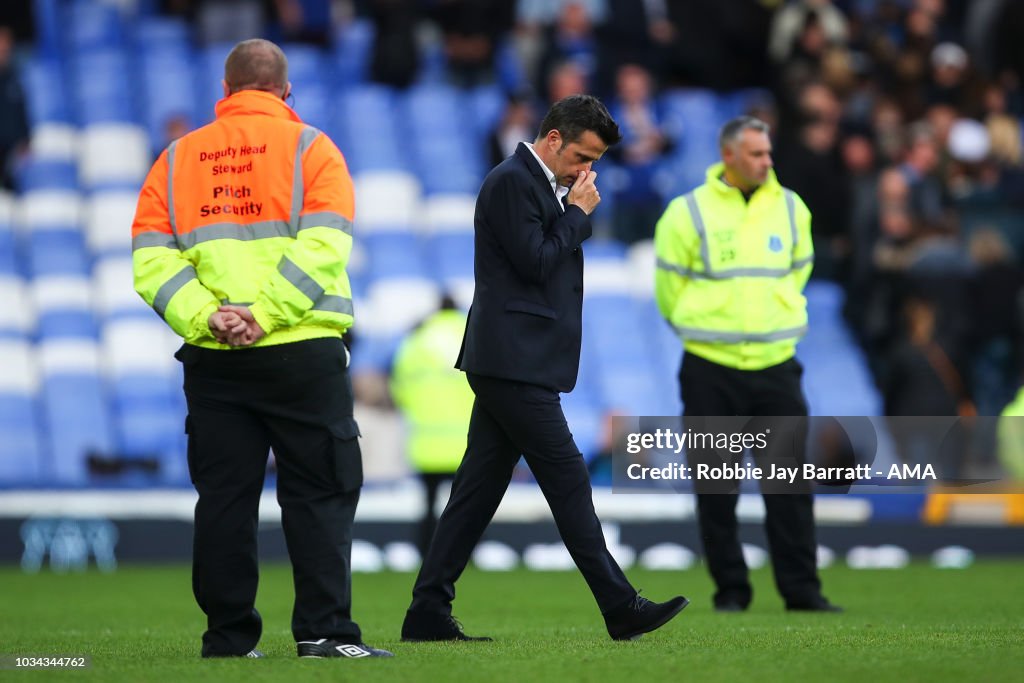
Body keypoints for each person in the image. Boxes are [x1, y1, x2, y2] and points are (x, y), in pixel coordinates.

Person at [131, 39, 392, 659]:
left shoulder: (175, 159)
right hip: (301, 350)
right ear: (285, 91)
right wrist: (266, 315)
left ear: (225, 93)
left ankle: (228, 639)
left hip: (214, 358)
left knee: (224, 501)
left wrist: (212, 317)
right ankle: (324, 634)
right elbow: (325, 247)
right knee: (319, 495)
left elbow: (150, 260)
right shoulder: (313, 149)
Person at [400, 94, 688, 642]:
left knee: (476, 492)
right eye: (583, 156)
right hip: (513, 361)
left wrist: (569, 209)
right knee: (567, 477)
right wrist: (577, 215)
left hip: (515, 359)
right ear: (553, 138)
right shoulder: (513, 181)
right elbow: (536, 261)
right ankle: (620, 605)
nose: (588, 171)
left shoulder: (535, 185)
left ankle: (426, 612)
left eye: (595, 161)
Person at [654, 115, 841, 613]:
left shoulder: (791, 208)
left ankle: (803, 593)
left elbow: (798, 275)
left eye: (768, 152)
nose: (767, 161)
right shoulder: (685, 212)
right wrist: (712, 330)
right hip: (709, 369)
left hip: (776, 367)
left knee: (790, 489)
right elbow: (668, 294)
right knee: (716, 491)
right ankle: (731, 592)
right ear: (729, 155)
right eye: (757, 154)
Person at [389, 295, 474, 556]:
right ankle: (467, 554)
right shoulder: (474, 335)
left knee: (429, 503)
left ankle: (427, 552)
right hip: (467, 441)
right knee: (470, 504)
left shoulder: (416, 341)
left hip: (427, 442)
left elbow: (399, 389)